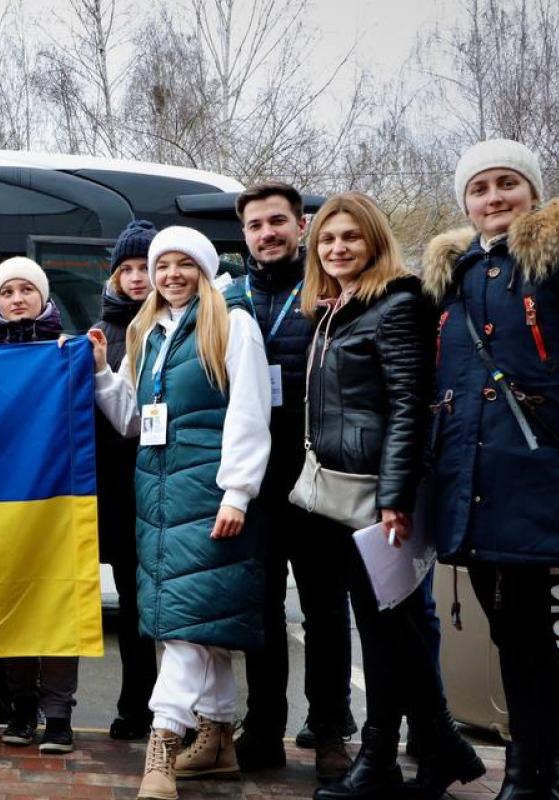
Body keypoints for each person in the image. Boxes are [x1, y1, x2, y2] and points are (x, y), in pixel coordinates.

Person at [423, 138, 559, 800]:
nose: (493, 197)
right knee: (512, 638)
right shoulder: (459, 277)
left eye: (507, 183)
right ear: (465, 202)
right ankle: (527, 773)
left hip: (553, 486)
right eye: (479, 188)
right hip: (478, 491)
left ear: (533, 191)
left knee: (558, 641)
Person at [294, 193, 483, 800]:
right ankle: (440, 745)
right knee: (389, 629)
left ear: (374, 239)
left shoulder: (396, 304)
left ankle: (383, 757)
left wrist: (395, 496)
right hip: (339, 491)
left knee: (389, 630)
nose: (337, 248)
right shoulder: (336, 309)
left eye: (350, 237)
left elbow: (409, 405)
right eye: (327, 239)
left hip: (378, 495)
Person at [89, 227, 270, 800]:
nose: (169, 275)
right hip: (159, 496)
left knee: (184, 631)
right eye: (161, 265)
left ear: (204, 269)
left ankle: (162, 742)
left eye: (182, 264)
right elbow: (131, 418)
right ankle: (217, 740)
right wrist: (99, 370)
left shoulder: (232, 323)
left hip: (208, 494)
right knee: (194, 628)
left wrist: (237, 492)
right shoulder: (148, 332)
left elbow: (249, 408)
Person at [233, 182, 355, 776]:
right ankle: (262, 728)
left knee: (325, 610)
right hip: (257, 482)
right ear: (245, 235)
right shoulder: (228, 298)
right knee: (259, 612)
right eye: (256, 226)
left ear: (300, 225)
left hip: (319, 476)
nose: (267, 234)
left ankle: (330, 728)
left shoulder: (330, 293)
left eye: (278, 221)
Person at [0, 256, 76, 754]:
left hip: (57, 497)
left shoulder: (65, 351)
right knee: (11, 604)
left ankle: (58, 715)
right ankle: (21, 709)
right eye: (7, 292)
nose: (18, 299)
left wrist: (84, 362)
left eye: (27, 290)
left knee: (58, 603)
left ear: (44, 298)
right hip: (0, 502)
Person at [91, 220, 158, 743]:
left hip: (155, 482)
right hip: (107, 485)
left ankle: (146, 701)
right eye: (127, 268)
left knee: (145, 601)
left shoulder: (176, 324)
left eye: (145, 267)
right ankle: (133, 702)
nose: (136, 278)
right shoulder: (100, 331)